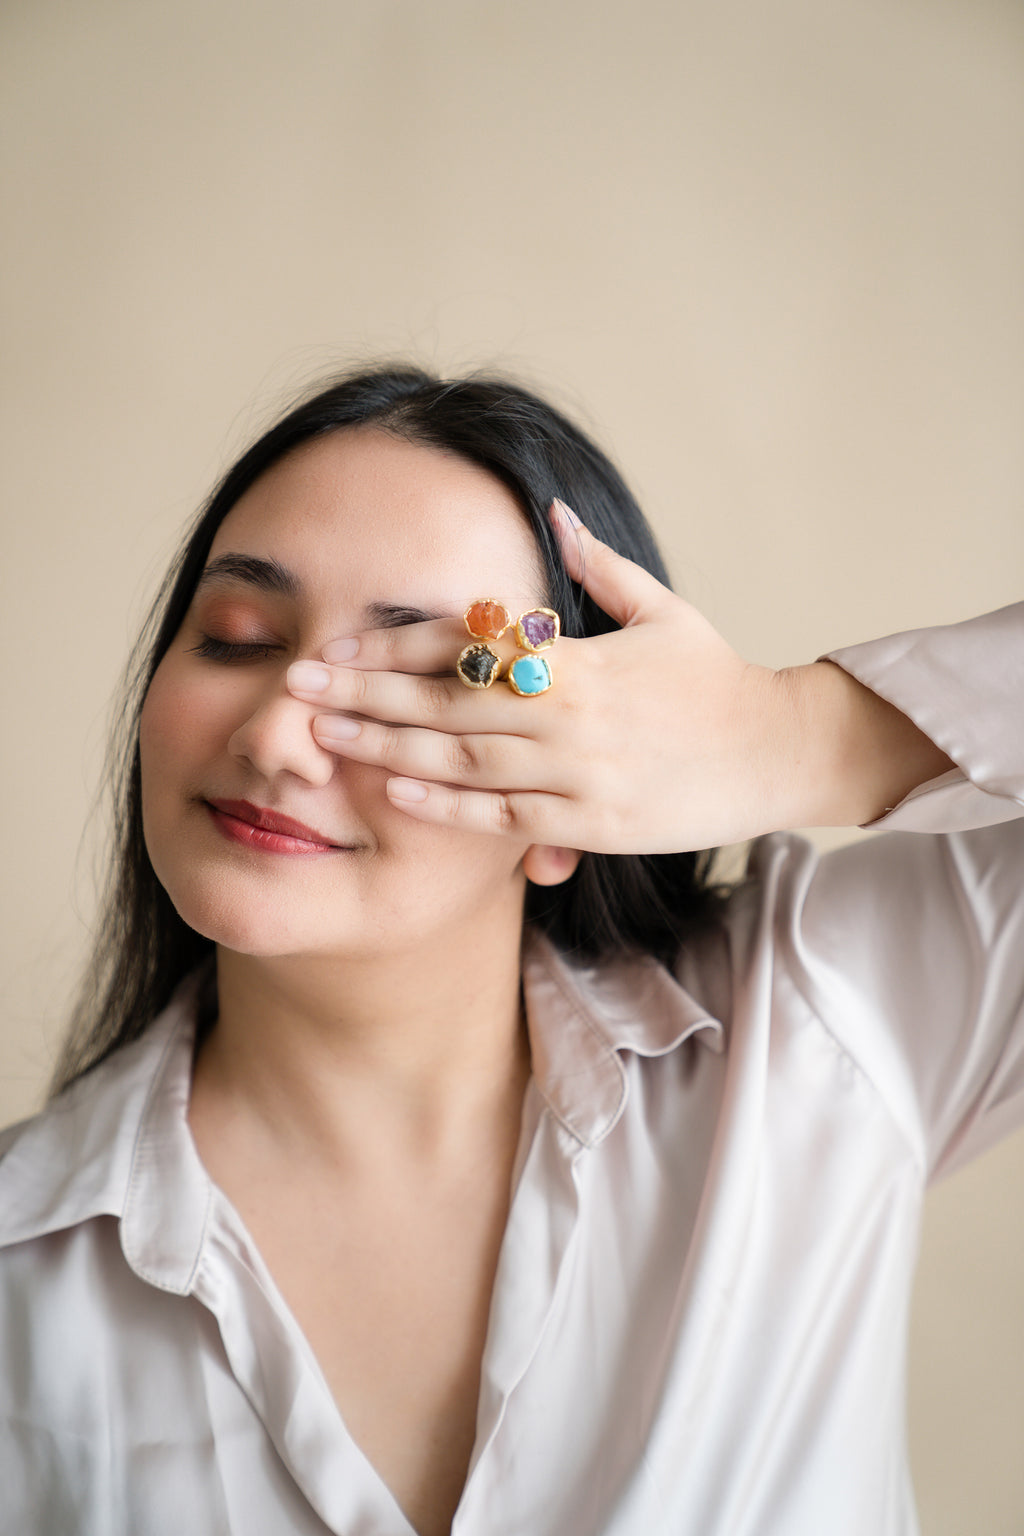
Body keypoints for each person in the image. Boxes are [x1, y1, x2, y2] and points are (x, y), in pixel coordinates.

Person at [0, 364, 1020, 1536]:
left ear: (577, 794)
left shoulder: (826, 1027)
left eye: (426, 681)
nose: (278, 734)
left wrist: (791, 732)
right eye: (234, 637)